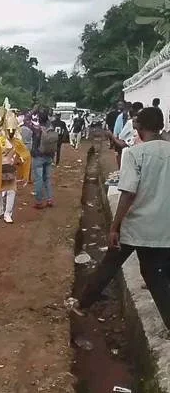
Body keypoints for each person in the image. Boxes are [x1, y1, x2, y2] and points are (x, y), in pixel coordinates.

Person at [71, 107, 170, 327]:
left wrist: (114, 226)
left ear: (138, 127)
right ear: (161, 126)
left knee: (110, 264)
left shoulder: (135, 154)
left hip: (137, 224)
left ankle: (82, 305)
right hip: (165, 226)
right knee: (158, 273)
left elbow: (127, 193)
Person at [0, 112, 31, 224]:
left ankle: (8, 213)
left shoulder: (17, 140)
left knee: (10, 191)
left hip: (9, 168)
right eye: (8, 129)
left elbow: (24, 153)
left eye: (12, 130)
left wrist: (21, 159)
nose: (10, 132)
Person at [30, 111, 57, 209]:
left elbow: (34, 143)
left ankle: (39, 201)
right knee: (47, 179)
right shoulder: (50, 129)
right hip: (49, 156)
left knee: (39, 179)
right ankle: (49, 199)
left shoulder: (37, 130)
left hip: (39, 157)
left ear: (39, 119)